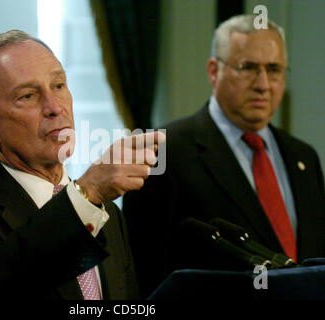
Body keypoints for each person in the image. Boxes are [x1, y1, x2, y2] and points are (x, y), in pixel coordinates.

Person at [0, 30, 165, 299]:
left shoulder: (104, 212)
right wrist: (86, 194)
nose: (55, 107)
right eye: (28, 95)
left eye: (58, 86)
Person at [123, 14, 325, 298]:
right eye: (248, 67)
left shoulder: (304, 157)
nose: (263, 84)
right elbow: (145, 274)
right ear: (214, 71)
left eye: (275, 69)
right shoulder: (164, 152)